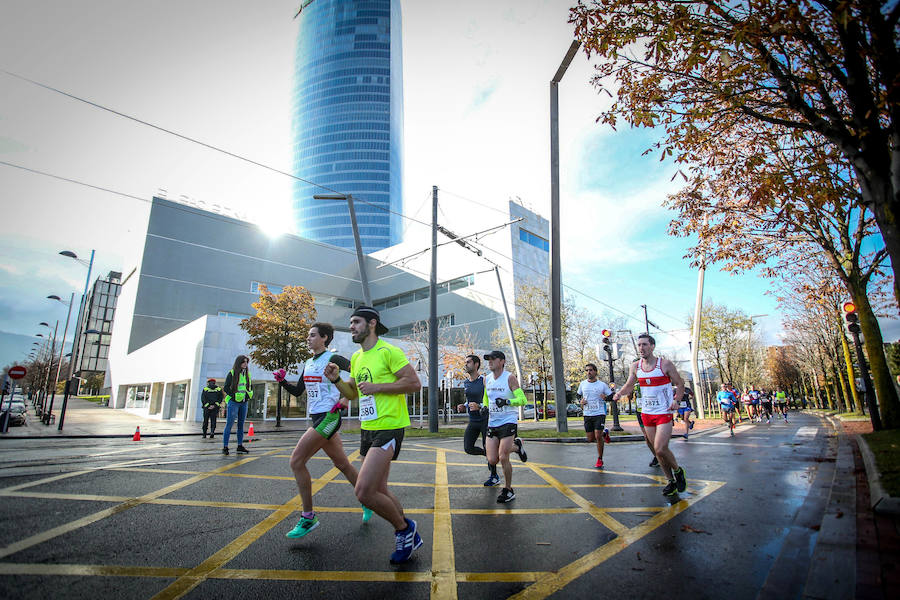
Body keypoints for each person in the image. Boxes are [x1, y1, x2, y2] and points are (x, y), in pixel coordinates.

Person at [324, 306, 423, 564]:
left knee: (364, 491)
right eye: (351, 323)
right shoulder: (356, 358)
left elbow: (414, 383)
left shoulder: (388, 351)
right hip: (368, 428)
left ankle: (404, 529)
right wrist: (337, 381)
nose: (352, 327)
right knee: (379, 489)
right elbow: (354, 394)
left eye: (356, 322)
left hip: (390, 424)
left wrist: (379, 386)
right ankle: (407, 531)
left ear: (372, 324)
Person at [275, 322, 373, 539]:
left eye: (312, 335)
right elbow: (298, 390)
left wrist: (345, 398)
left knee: (296, 461)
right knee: (343, 464)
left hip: (330, 417)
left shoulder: (333, 359)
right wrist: (282, 381)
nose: (308, 338)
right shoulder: (309, 363)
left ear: (325, 338)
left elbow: (358, 373)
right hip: (317, 418)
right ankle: (369, 501)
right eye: (308, 335)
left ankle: (308, 517)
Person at [614, 334, 687, 497]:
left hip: (664, 412)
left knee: (660, 448)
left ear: (652, 346)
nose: (641, 348)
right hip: (647, 413)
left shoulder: (665, 364)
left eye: (645, 345)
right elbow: (629, 385)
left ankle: (678, 471)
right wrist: (619, 393)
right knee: (657, 451)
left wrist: (677, 400)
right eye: (639, 345)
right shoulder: (635, 366)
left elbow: (680, 384)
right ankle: (671, 481)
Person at [481, 350, 528, 503]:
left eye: (493, 359)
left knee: (503, 457)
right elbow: (487, 397)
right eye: (488, 359)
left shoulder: (509, 378)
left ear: (502, 361)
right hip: (493, 422)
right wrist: (484, 406)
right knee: (492, 459)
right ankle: (517, 446)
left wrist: (508, 402)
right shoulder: (486, 379)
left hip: (508, 420)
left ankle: (508, 489)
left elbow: (522, 400)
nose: (490, 362)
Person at [456, 354, 499, 486]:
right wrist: (464, 405)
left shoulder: (484, 380)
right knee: (468, 448)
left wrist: (480, 405)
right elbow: (469, 399)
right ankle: (487, 453)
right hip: (473, 420)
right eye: (465, 362)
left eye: (468, 362)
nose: (466, 364)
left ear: (476, 365)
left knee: (488, 447)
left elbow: (491, 400)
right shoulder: (466, 382)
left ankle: (494, 476)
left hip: (485, 419)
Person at [577, 363, 613, 468]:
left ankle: (600, 459)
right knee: (590, 438)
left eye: (591, 370)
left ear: (595, 372)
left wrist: (606, 398)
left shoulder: (602, 385)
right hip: (587, 413)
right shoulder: (583, 384)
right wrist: (581, 401)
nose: (589, 372)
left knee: (597, 436)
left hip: (599, 413)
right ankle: (605, 434)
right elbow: (578, 395)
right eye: (587, 370)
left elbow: (612, 395)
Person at [222, 355, 252, 455]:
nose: (245, 364)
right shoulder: (232, 373)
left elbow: (249, 387)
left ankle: (240, 446)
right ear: (239, 363)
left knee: (241, 425)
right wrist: (234, 396)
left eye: (247, 362)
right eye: (243, 362)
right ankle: (225, 447)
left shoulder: (247, 374)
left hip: (244, 402)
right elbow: (226, 388)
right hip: (234, 402)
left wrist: (249, 395)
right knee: (229, 424)